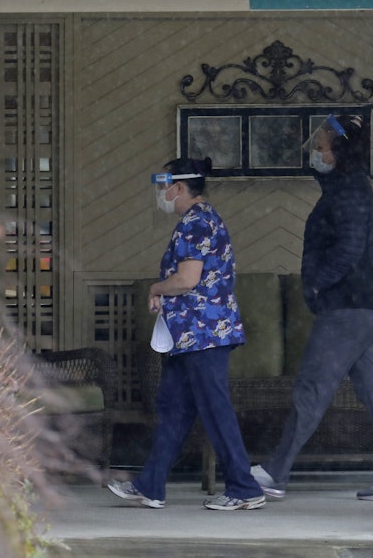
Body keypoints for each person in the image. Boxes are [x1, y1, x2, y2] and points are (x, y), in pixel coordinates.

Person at [250, 114, 373, 501]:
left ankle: (274, 473)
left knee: (312, 387)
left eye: (320, 148)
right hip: (366, 305)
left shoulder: (349, 191)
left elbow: (350, 250)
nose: (314, 155)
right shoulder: (344, 188)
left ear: (338, 152)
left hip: (350, 306)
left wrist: (318, 282)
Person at [107, 157, 265, 511]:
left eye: (164, 187)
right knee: (174, 407)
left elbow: (187, 280)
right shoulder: (201, 220)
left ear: (178, 187)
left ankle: (243, 487)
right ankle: (150, 484)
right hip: (191, 334)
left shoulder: (196, 223)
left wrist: (157, 288)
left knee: (214, 407)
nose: (161, 194)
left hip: (203, 333)